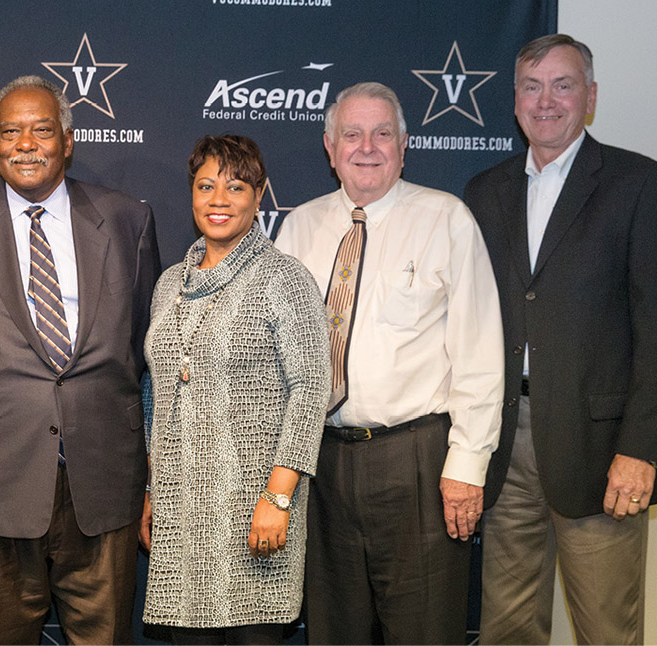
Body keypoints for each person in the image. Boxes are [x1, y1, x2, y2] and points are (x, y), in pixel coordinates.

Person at [0, 75, 160, 644]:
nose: (27, 144)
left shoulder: (127, 221)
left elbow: (140, 338)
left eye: (42, 130)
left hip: (102, 477)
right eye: (11, 131)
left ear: (68, 140)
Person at [274, 81, 504, 645]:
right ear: (329, 148)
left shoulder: (446, 219)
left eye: (383, 133)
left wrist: (467, 467)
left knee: (424, 633)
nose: (367, 146)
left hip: (418, 464)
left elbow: (480, 352)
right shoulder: (298, 226)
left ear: (405, 144)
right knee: (334, 631)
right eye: (351, 133)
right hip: (319, 463)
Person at [464, 34, 656, 645]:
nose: (546, 101)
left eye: (563, 84)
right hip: (504, 444)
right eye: (531, 86)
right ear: (515, 102)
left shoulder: (638, 183)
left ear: (591, 97)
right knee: (508, 628)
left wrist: (641, 447)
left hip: (601, 450)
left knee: (606, 630)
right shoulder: (483, 192)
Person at [139, 135, 328, 645]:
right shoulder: (169, 284)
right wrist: (155, 491)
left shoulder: (285, 279)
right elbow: (156, 395)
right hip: (182, 519)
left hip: (256, 515)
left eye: (235, 186)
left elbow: (310, 390)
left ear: (259, 195)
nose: (218, 199)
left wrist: (279, 498)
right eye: (205, 186)